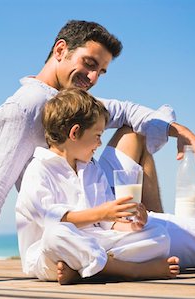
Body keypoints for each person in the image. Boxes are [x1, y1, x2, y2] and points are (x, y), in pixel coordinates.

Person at [0, 20, 195, 287]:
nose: (92, 79)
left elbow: (125, 111)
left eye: (101, 72)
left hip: (105, 217)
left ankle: (150, 224)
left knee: (135, 131)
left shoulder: (74, 101)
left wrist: (180, 131)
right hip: (68, 228)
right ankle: (146, 248)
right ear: (60, 50)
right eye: (89, 65)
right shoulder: (23, 109)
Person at [16, 87, 180, 284]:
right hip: (51, 255)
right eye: (97, 135)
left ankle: (84, 269)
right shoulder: (38, 170)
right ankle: (130, 270)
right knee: (56, 233)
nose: (100, 143)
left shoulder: (92, 168)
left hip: (93, 245)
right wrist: (102, 213)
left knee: (160, 236)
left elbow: (107, 223)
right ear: (75, 132)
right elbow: (55, 221)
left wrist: (133, 225)